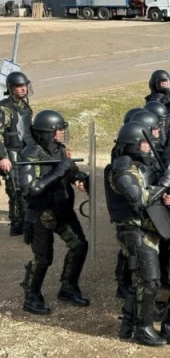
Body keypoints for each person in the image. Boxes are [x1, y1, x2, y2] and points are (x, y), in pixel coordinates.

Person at [106, 121, 170, 346]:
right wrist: (165, 184)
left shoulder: (139, 165)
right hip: (133, 231)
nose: (148, 147)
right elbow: (139, 199)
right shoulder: (122, 169)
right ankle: (143, 330)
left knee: (142, 280)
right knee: (150, 282)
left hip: (145, 228)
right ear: (133, 145)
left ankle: (127, 323)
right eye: (144, 143)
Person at [17, 110, 90, 315]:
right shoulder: (30, 154)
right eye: (58, 130)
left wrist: (81, 178)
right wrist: (58, 172)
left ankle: (68, 287)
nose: (62, 133)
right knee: (43, 258)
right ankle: (31, 295)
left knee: (79, 246)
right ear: (47, 133)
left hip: (63, 210)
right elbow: (31, 189)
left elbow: (73, 171)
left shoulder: (61, 150)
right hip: (41, 213)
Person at [0, 71, 35, 236]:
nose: (23, 89)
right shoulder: (4, 108)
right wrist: (3, 157)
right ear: (11, 88)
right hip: (11, 154)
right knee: (15, 190)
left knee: (28, 188)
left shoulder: (25, 106)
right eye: (19, 87)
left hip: (26, 153)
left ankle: (26, 223)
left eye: (24, 86)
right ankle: (17, 225)